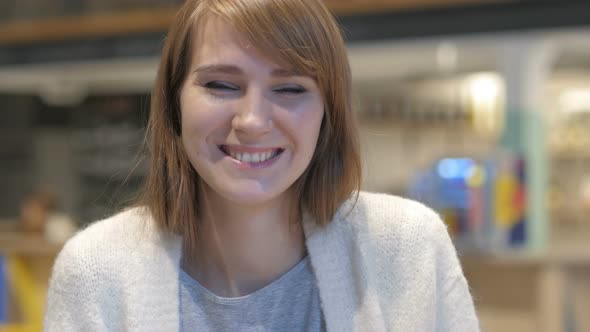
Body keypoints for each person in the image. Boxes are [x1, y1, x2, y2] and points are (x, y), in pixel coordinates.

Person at [43, 0, 479, 331]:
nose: (252, 120)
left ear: (329, 114)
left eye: (290, 88)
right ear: (174, 104)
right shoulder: (96, 271)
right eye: (220, 84)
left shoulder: (408, 250)